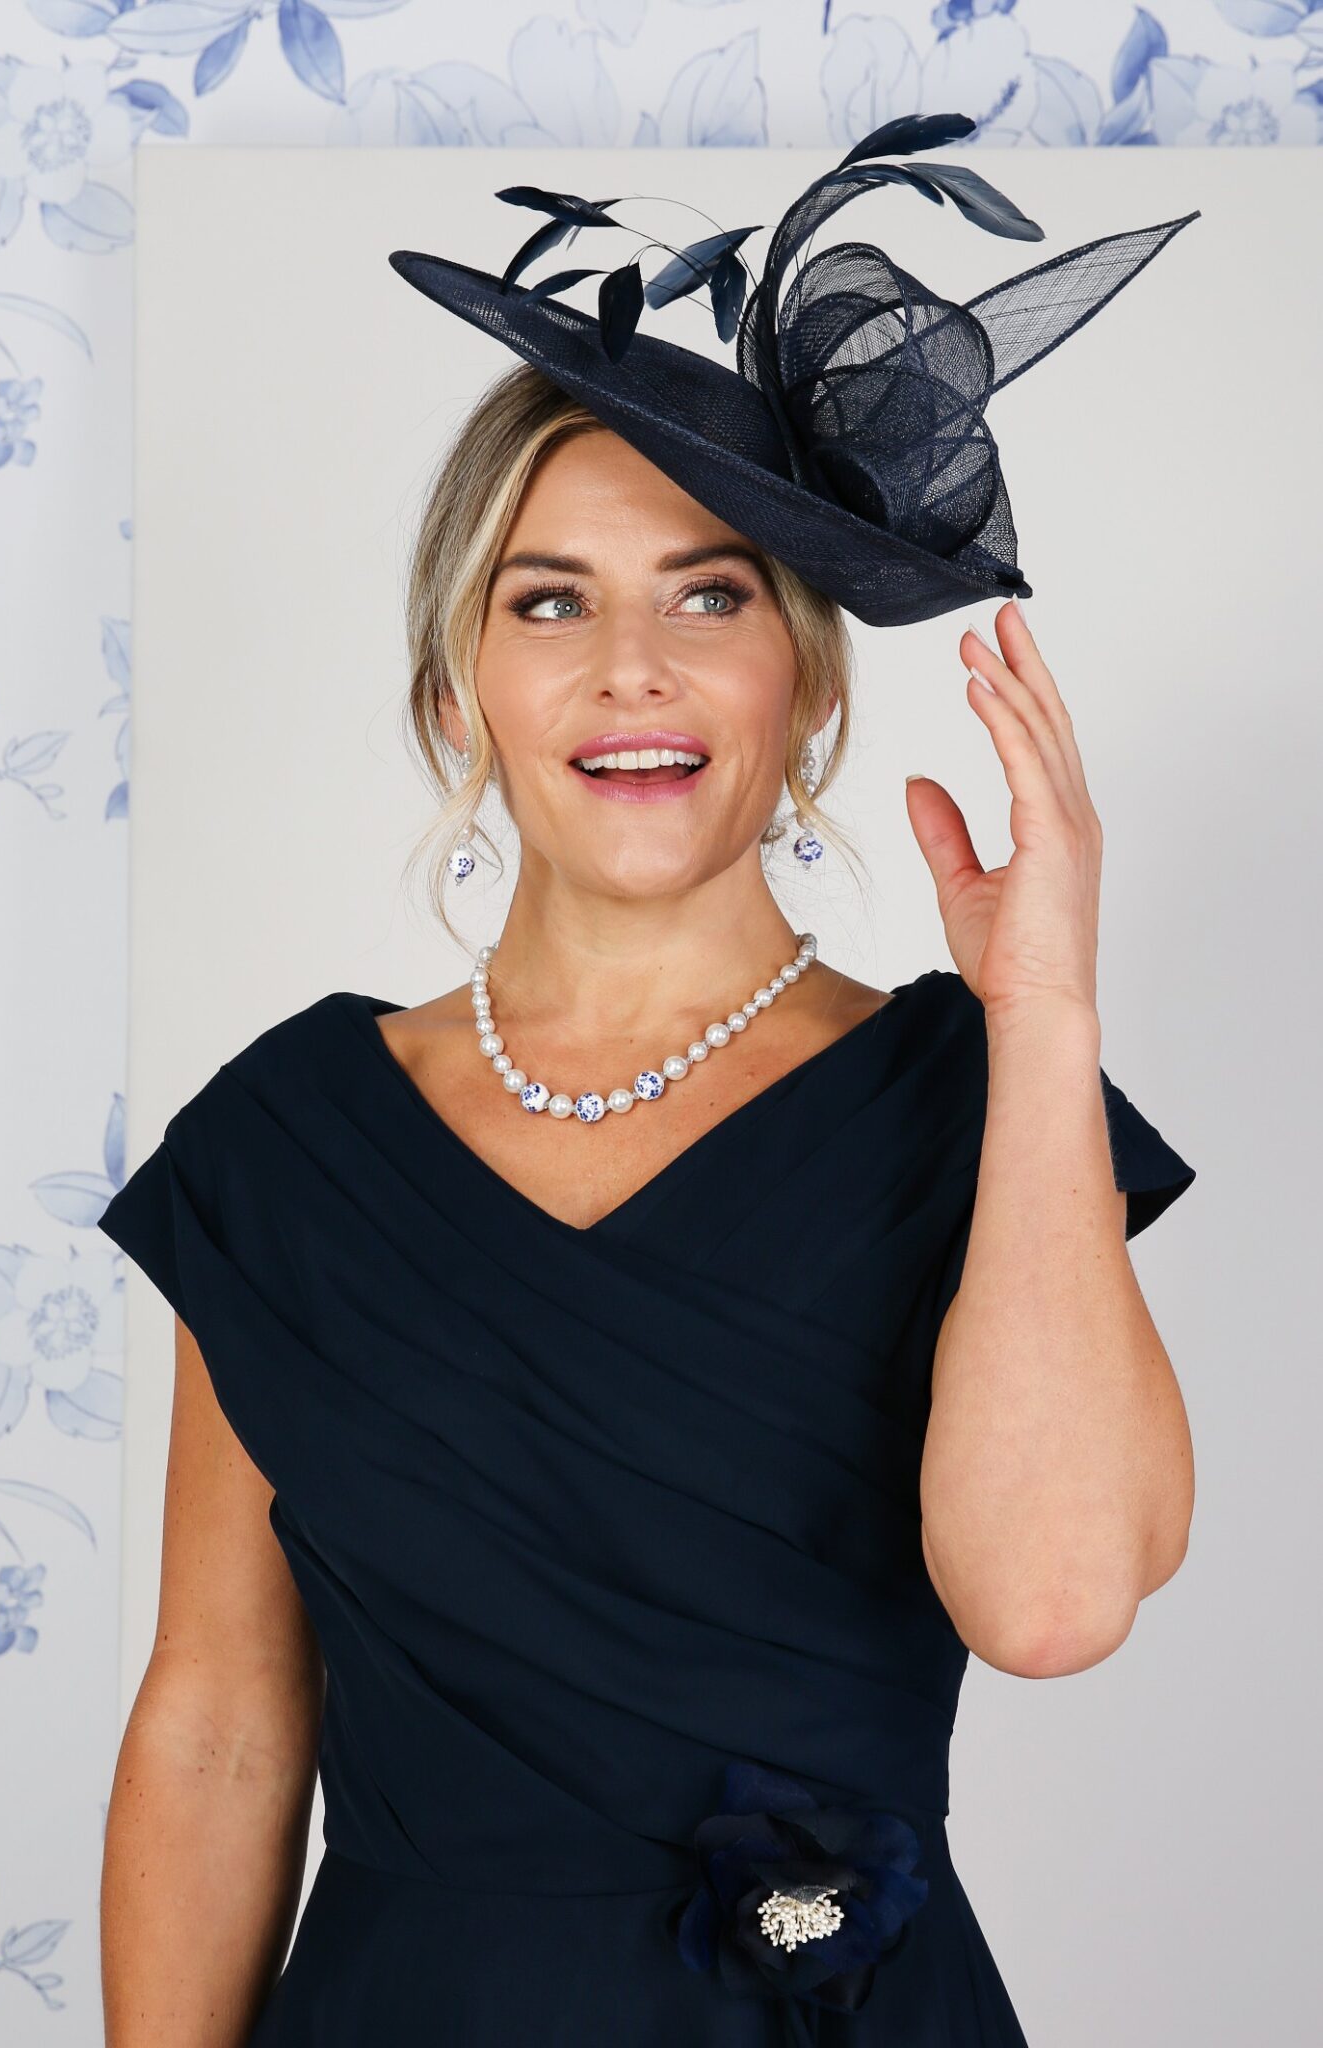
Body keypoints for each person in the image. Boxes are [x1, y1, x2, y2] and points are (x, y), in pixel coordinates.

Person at [97, 117, 1198, 2048]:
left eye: (711, 596)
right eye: (548, 600)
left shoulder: (971, 1102)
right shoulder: (283, 1145)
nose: (632, 667)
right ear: (455, 691)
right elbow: (214, 1725)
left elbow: (1049, 1606)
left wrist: (1042, 1014)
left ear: (806, 683)